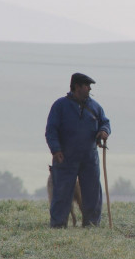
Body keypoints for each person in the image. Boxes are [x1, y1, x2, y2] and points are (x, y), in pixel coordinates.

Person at [45, 72, 111, 228]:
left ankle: (92, 225)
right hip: (65, 157)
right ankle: (58, 226)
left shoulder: (95, 106)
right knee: (61, 192)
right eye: (86, 86)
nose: (89, 89)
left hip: (89, 157)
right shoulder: (60, 106)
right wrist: (56, 150)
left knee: (92, 192)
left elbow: (105, 122)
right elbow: (51, 130)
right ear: (76, 87)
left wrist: (104, 131)